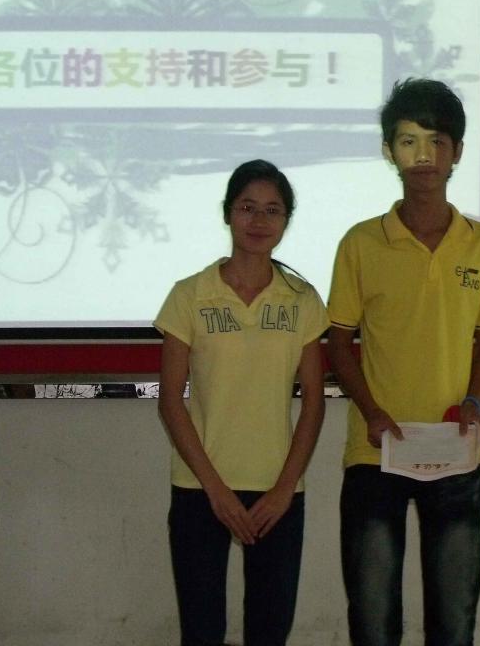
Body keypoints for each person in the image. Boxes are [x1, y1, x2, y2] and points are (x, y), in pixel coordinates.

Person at [326, 78, 480, 646]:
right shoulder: (361, 243)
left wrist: (476, 403)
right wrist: (371, 411)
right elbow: (338, 342)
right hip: (376, 453)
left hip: (455, 450)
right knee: (372, 622)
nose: (424, 155)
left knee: (454, 624)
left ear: (457, 151)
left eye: (437, 141)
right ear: (390, 152)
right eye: (409, 141)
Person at [155, 159, 328, 646]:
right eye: (247, 207)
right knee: (201, 631)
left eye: (272, 210)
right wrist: (215, 490)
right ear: (227, 213)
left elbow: (315, 403)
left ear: (286, 220)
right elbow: (170, 401)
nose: (259, 220)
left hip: (278, 491)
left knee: (270, 632)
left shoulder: (302, 300)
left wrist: (284, 489)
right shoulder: (189, 295)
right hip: (200, 488)